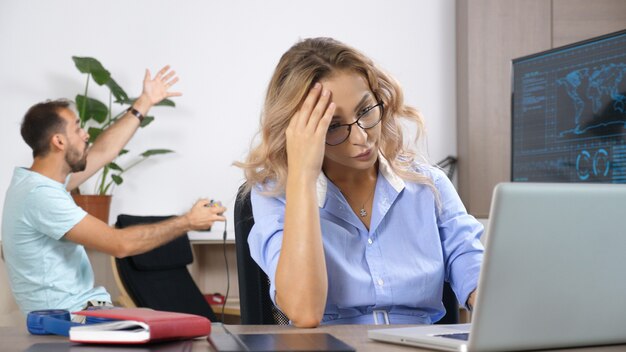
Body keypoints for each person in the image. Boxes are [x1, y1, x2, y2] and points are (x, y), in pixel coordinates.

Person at [236, 38, 484, 327]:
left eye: (366, 111)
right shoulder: (274, 194)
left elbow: (473, 268)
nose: (361, 137)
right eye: (333, 126)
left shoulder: (428, 184)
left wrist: (494, 304)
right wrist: (303, 177)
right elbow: (304, 312)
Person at [2, 66, 226, 318]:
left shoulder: (36, 183)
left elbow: (103, 152)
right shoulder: (40, 196)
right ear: (59, 141)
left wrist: (145, 102)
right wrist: (188, 221)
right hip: (67, 320)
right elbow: (121, 244)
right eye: (77, 128)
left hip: (79, 313)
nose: (85, 134)